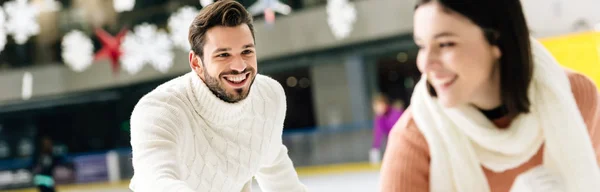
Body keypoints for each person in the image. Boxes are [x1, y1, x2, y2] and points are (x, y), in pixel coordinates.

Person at [380, 0, 600, 191]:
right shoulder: (414, 140)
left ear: (497, 40)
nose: (425, 64)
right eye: (421, 46)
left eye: (446, 44)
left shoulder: (575, 96)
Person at [128, 1, 307, 191]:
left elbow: (277, 171)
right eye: (223, 55)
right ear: (196, 63)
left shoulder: (268, 96)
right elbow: (156, 180)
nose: (239, 66)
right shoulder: (159, 110)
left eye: (246, 51)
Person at [369, 94, 403, 164]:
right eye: (376, 106)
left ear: (384, 104)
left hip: (402, 141)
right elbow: (378, 133)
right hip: (393, 143)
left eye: (379, 105)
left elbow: (401, 131)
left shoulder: (396, 113)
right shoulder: (379, 118)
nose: (378, 108)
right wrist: (375, 147)